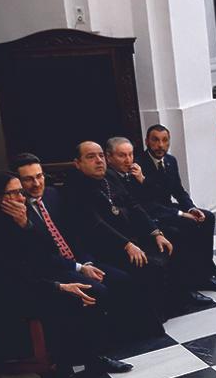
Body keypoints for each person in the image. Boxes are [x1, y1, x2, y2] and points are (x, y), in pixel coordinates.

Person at [0, 172, 124, 378]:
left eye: (20, 192)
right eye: (12, 193)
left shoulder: (16, 217)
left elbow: (43, 253)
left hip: (33, 280)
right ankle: (64, 376)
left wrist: (24, 224)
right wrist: (59, 287)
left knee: (95, 290)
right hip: (1, 294)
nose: (20, 198)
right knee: (65, 300)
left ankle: (93, 357)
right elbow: (6, 274)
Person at [63, 140, 174, 335]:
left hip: (129, 238)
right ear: (77, 163)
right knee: (145, 266)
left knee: (170, 243)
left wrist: (155, 232)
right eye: (91, 157)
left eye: (100, 155)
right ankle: (144, 327)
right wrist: (126, 245)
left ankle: (165, 310)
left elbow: (134, 206)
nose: (99, 161)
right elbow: (95, 224)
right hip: (102, 248)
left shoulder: (109, 177)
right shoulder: (74, 187)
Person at [137, 125, 216, 291]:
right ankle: (201, 278)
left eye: (165, 140)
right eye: (155, 140)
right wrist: (180, 214)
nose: (160, 145)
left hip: (168, 208)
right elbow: (148, 202)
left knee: (207, 218)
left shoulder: (170, 160)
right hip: (153, 213)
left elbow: (179, 191)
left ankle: (207, 266)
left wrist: (191, 208)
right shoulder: (138, 164)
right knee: (188, 226)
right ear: (147, 141)